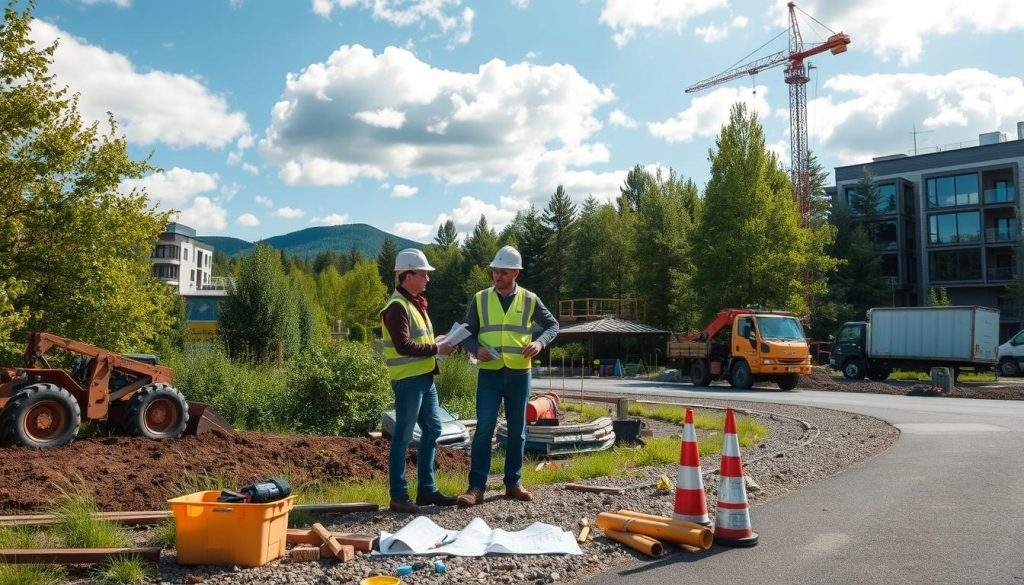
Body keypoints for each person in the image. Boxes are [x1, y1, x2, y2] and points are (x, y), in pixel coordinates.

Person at [457, 245, 559, 508]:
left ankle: (513, 483)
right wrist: (475, 349)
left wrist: (540, 344)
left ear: (516, 273)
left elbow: (552, 325)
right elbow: (465, 332)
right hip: (489, 375)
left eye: (502, 272)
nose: (497, 276)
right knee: (484, 429)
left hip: (519, 374)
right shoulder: (480, 299)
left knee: (517, 431)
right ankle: (476, 487)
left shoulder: (530, 299)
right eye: (494, 271)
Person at [379, 248, 458, 514]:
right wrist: (437, 349)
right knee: (402, 436)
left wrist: (439, 343)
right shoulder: (396, 307)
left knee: (433, 430)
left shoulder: (414, 304)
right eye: (423, 274)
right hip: (408, 380)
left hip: (424, 378)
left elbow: (417, 341)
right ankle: (399, 496)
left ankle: (426, 490)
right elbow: (403, 346)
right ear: (408, 274)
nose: (427, 279)